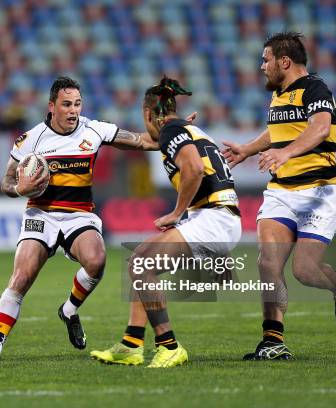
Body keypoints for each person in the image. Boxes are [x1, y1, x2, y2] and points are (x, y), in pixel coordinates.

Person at [0, 76, 167, 363]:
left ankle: (69, 309)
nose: (73, 110)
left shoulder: (95, 130)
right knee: (22, 277)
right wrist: (19, 189)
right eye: (66, 104)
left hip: (79, 214)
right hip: (41, 214)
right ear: (52, 106)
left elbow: (141, 141)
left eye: (77, 103)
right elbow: (6, 182)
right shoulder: (30, 139)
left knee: (97, 261)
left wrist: (176, 132)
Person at [90, 77, 242, 368]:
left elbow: (195, 169)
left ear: (148, 114)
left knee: (140, 264)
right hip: (217, 217)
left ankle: (168, 345)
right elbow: (159, 144)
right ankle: (131, 344)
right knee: (141, 263)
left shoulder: (173, 130)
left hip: (212, 218)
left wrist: (176, 212)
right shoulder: (183, 129)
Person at [222, 32, 336, 360]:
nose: (261, 66)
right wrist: (248, 149)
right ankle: (273, 341)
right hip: (281, 192)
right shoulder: (280, 95)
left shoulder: (315, 88)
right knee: (267, 261)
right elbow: (278, 132)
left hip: (318, 193)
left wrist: (286, 154)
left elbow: (320, 128)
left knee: (305, 271)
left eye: (265, 59)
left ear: (284, 61)